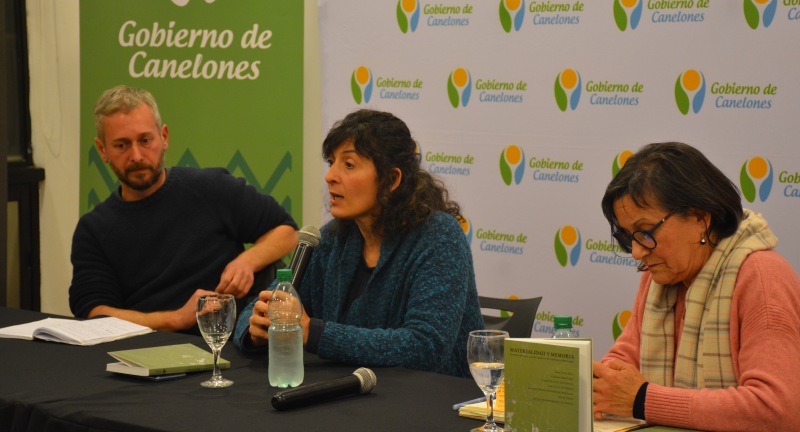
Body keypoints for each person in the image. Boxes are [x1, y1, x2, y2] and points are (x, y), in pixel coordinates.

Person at [233, 109, 484, 377]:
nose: (330, 176)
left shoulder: (439, 237)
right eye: (332, 163)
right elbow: (261, 306)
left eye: (349, 165)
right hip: (353, 396)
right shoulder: (330, 239)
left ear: (391, 180)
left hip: (436, 403)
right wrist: (256, 330)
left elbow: (426, 346)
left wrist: (312, 332)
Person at [592, 142, 800, 431]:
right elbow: (626, 359)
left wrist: (642, 400)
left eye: (645, 232)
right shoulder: (658, 275)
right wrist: (602, 381)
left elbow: (777, 410)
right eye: (629, 237)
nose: (638, 253)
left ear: (700, 218)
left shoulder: (762, 277)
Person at [69, 85, 298, 333]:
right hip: (141, 351)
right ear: (102, 150)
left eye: (145, 140)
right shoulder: (94, 230)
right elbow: (94, 313)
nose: (136, 155)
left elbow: (287, 231)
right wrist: (176, 319)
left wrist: (247, 261)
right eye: (122, 145)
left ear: (164, 137)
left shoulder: (210, 188)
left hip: (231, 345)